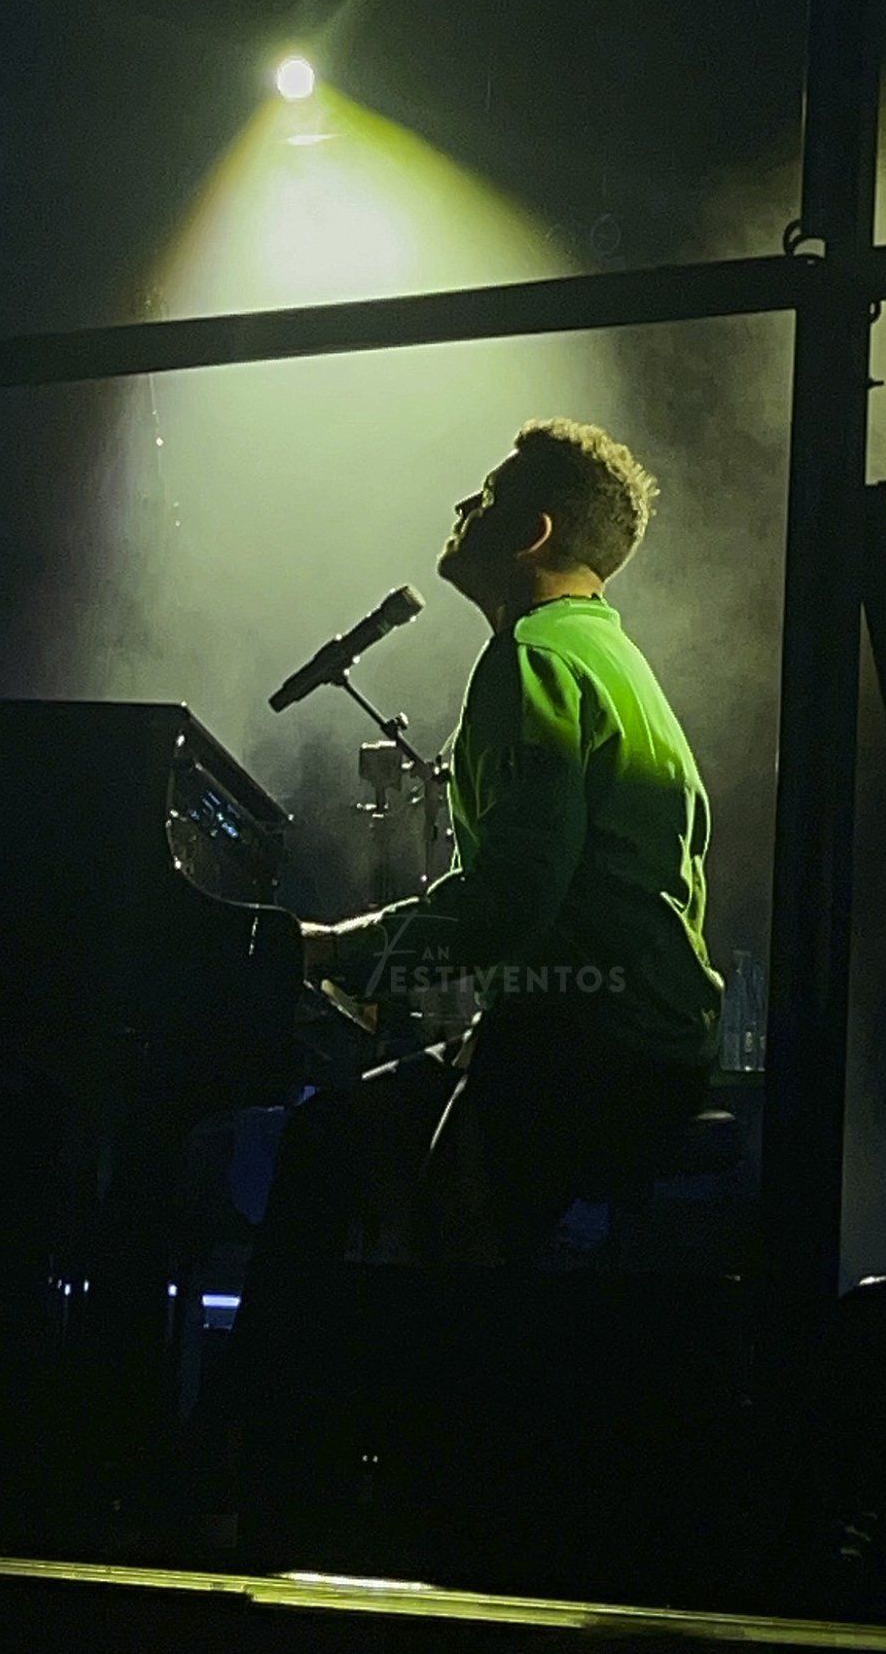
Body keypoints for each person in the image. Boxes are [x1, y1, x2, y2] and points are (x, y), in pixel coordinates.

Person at [237, 416, 721, 1349]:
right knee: (341, 1137)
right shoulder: (618, 662)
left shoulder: (531, 658)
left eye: (490, 496)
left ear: (533, 532)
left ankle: (329, 1413)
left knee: (405, 1214)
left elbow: (507, 903)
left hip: (586, 1048)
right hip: (654, 1040)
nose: (466, 505)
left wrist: (336, 951)